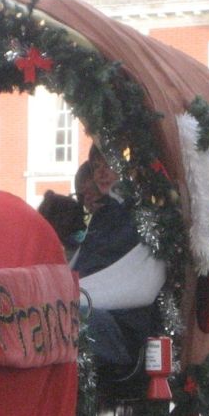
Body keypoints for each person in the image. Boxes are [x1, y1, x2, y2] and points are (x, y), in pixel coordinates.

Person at [69, 146, 165, 368]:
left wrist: (71, 296)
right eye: (96, 167)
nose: (101, 173)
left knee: (68, 319)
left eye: (109, 163)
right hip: (101, 311)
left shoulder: (137, 215)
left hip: (124, 326)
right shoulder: (104, 215)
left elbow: (125, 276)